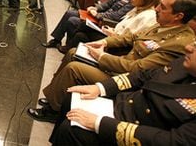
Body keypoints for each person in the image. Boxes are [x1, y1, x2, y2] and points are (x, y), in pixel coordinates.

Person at [28, 0, 196, 123]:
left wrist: (102, 57)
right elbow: (131, 37)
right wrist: (105, 43)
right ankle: (55, 97)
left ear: (178, 16)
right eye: (159, 4)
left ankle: (53, 111)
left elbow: (138, 69)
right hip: (121, 64)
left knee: (74, 69)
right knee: (74, 52)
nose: (156, 9)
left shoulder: (179, 43)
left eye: (163, 7)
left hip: (128, 80)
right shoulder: (162, 25)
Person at [49, 41, 196, 145]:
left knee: (72, 130)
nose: (189, 47)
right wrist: (99, 88)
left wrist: (100, 123)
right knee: (74, 98)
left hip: (139, 132)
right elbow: (142, 76)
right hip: (126, 106)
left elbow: (174, 141)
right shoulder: (184, 64)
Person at [42, 0, 146, 50]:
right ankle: (56, 40)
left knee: (72, 20)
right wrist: (96, 8)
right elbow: (110, 2)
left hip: (106, 22)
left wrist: (97, 15)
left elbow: (116, 16)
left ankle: (69, 46)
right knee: (70, 13)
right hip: (101, 16)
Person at [62, 0, 160, 52]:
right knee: (80, 35)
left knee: (83, 25)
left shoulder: (148, 17)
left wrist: (113, 34)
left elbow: (132, 40)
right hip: (112, 35)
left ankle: (68, 49)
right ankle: (70, 53)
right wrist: (111, 29)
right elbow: (121, 25)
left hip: (118, 46)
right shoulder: (136, 9)